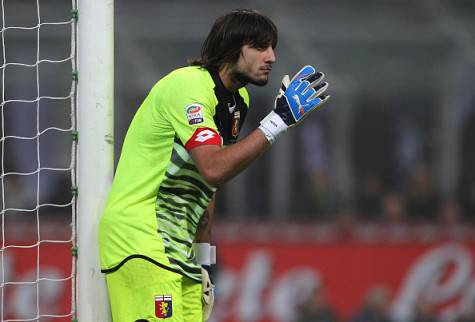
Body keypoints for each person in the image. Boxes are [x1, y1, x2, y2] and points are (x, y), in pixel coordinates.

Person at [98, 8, 330, 322]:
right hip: (142, 238)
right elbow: (213, 167)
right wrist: (279, 121)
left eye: (273, 46)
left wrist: (204, 262)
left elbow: (208, 184)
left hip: (180, 250)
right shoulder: (188, 87)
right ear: (232, 49)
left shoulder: (239, 101)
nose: (272, 56)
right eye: (260, 46)